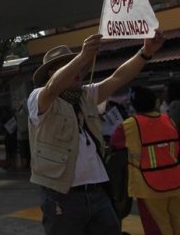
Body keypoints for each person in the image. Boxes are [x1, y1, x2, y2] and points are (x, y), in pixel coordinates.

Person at [27, 31, 165, 235]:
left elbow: (118, 78)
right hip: (63, 198)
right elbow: (53, 87)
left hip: (98, 193)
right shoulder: (39, 98)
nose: (78, 69)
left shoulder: (86, 96)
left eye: (77, 64)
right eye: (68, 65)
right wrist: (82, 56)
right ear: (51, 73)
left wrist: (145, 52)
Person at [111, 86, 180, 235]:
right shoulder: (168, 120)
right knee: (177, 222)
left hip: (148, 187)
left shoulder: (129, 125)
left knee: (157, 228)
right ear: (155, 102)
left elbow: (115, 143)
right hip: (175, 182)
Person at [15, 100, 30, 169]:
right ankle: (27, 165)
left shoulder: (18, 113)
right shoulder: (26, 113)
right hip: (27, 135)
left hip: (21, 136)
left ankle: (24, 165)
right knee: (28, 151)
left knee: (23, 152)